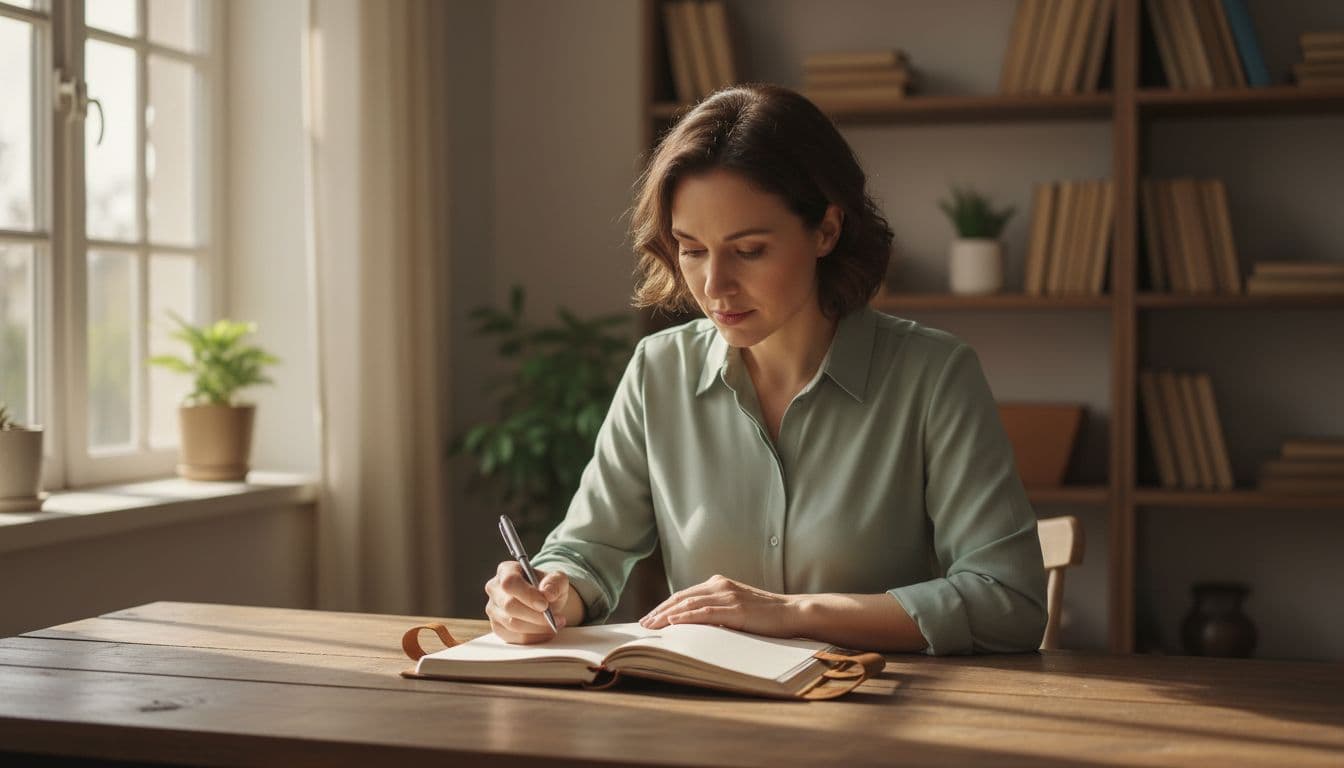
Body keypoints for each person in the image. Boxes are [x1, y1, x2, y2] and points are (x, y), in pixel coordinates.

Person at [483, 84, 1047, 655]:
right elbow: (586, 552)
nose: (713, 286)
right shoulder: (659, 370)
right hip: (709, 725)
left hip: (879, 716)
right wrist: (546, 594)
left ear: (826, 230)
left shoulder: (934, 375)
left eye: (748, 250)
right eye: (691, 248)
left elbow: (1009, 601)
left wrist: (791, 614)